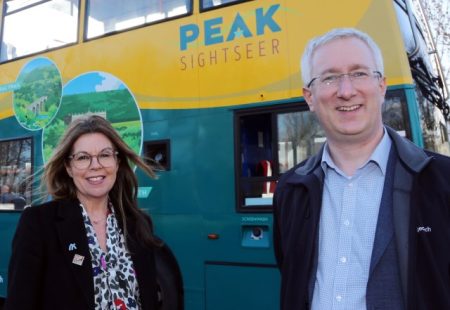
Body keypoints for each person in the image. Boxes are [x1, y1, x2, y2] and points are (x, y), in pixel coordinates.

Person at [273, 28, 450, 310]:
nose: (346, 91)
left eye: (359, 73)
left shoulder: (442, 181)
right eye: (329, 77)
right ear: (309, 96)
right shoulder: (289, 190)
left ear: (382, 86)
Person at [5, 115, 160, 309]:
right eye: (83, 157)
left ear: (117, 162)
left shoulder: (139, 224)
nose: (96, 165)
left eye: (104, 155)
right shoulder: (38, 224)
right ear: (69, 168)